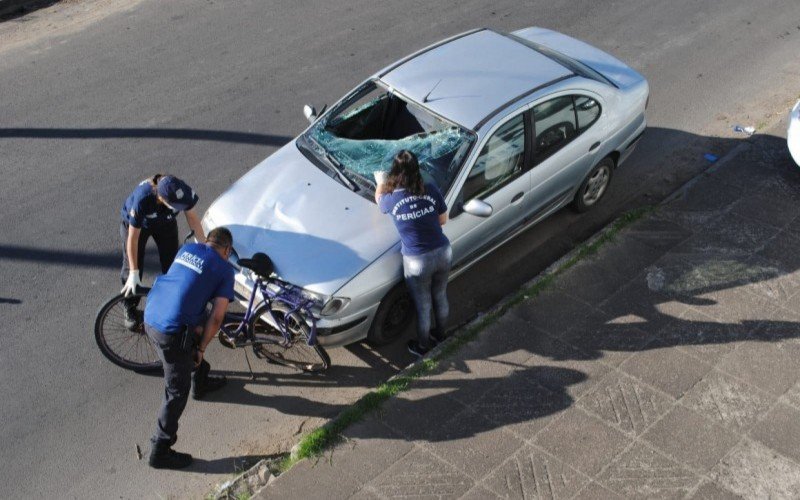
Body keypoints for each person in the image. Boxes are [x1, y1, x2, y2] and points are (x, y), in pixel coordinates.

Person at [143, 226, 234, 469]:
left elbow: (187, 286)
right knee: (175, 391)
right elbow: (217, 318)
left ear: (208, 241)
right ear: (228, 250)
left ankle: (200, 381)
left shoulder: (189, 248)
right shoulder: (225, 268)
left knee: (196, 325)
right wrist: (202, 347)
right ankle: (160, 450)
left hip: (151, 314)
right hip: (170, 331)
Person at [375, 150, 452, 357]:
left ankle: (423, 347)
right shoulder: (431, 189)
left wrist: (381, 181)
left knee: (423, 306)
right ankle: (442, 335)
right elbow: (443, 220)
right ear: (417, 169)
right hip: (443, 251)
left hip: (417, 261)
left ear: (395, 172)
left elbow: (379, 199)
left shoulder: (391, 200)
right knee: (440, 295)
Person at [119, 174, 206, 329]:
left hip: (165, 223)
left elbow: (192, 218)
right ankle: (129, 306)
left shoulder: (182, 191)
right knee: (133, 266)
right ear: (161, 198)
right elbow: (132, 239)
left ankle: (171, 303)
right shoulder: (143, 198)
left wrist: (205, 249)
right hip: (139, 226)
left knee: (172, 264)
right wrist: (133, 271)